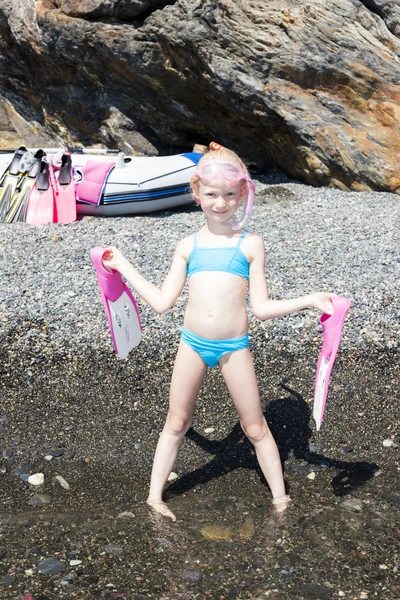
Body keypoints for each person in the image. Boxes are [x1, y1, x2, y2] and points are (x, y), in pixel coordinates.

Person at [102, 146, 334, 521]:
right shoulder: (188, 246)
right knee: (177, 422)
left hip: (233, 347)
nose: (221, 203)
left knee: (255, 426)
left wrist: (310, 300)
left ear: (242, 194)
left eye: (229, 194)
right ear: (196, 195)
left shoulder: (250, 244)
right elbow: (162, 303)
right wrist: (123, 265)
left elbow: (260, 309)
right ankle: (154, 498)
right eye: (211, 194)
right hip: (192, 344)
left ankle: (281, 501)